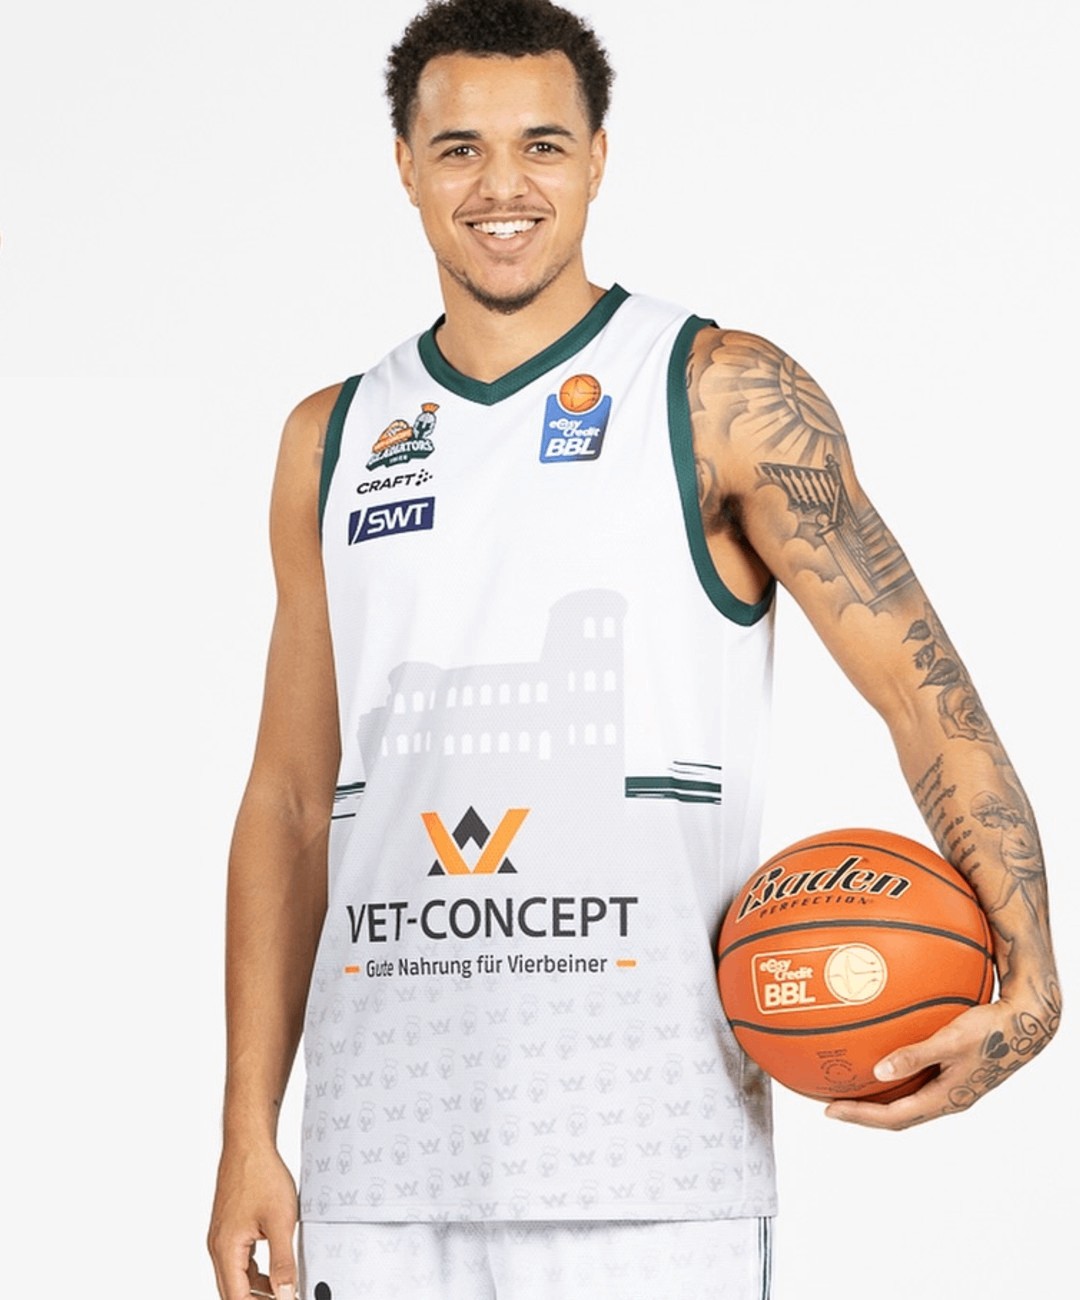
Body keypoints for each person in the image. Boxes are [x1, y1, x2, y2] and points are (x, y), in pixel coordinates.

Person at [207, 1, 1060, 1297]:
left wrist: (1032, 972)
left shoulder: (719, 393)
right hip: (380, 1163)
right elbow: (286, 802)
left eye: (543, 145)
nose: (502, 186)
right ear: (405, 165)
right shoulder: (330, 438)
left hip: (654, 1163)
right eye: (460, 148)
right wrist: (246, 1132)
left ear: (599, 157)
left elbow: (919, 688)